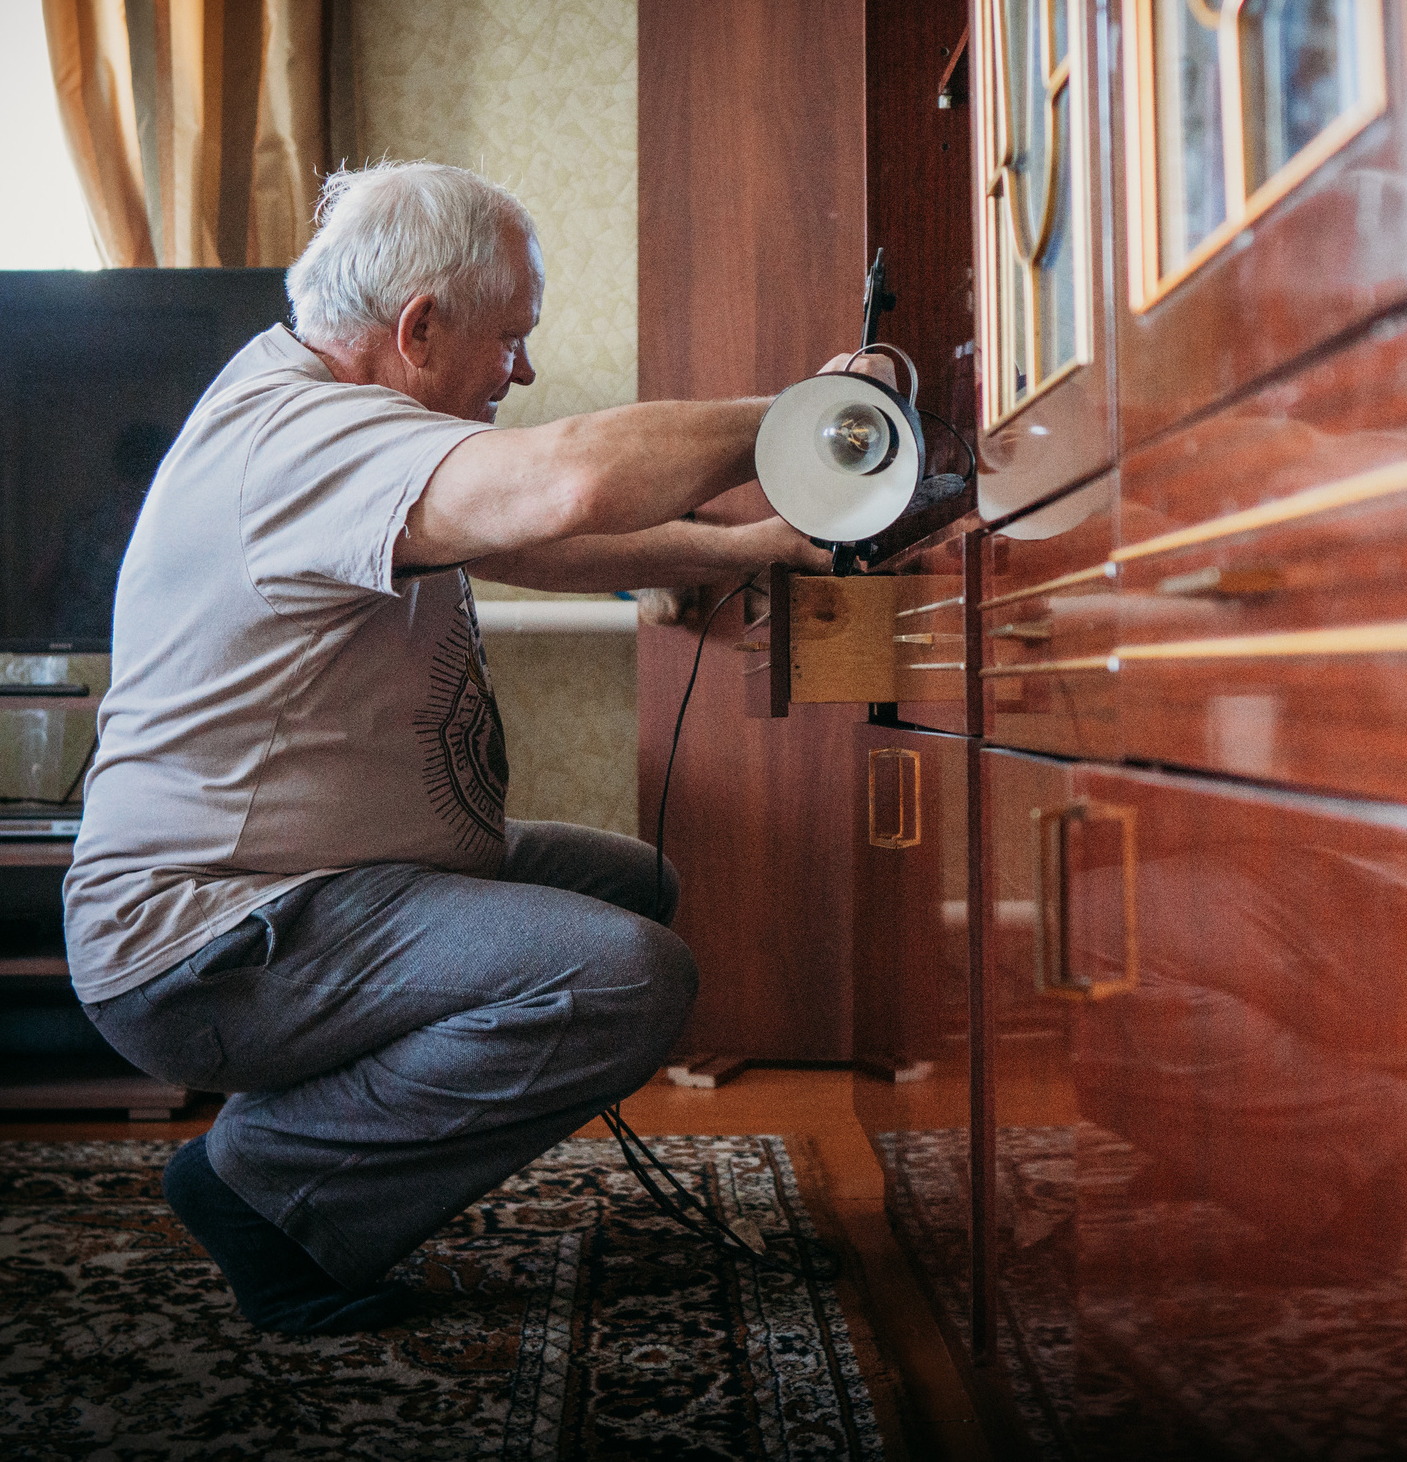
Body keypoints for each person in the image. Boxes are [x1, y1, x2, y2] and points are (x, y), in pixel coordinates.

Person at [65, 160, 833, 1333]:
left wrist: (721, 554)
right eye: (509, 339)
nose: (518, 370)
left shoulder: (322, 408)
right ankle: (261, 1188)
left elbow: (511, 538)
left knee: (636, 889)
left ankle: (292, 1144)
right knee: (626, 974)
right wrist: (821, 423)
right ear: (419, 328)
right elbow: (564, 482)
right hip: (208, 940)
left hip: (307, 893)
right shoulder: (300, 435)